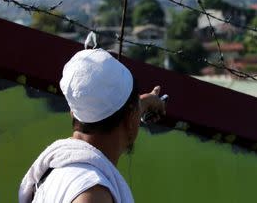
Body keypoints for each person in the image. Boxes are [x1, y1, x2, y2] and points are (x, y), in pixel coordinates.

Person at [19, 48, 166, 203]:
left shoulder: (54, 171)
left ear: (73, 113)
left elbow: (110, 113)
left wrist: (141, 104)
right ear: (130, 119)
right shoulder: (93, 193)